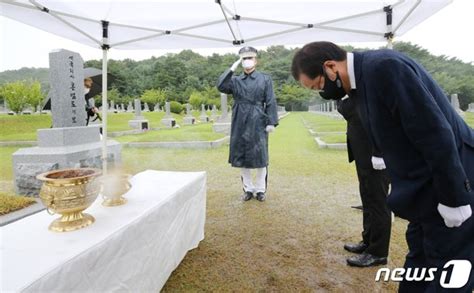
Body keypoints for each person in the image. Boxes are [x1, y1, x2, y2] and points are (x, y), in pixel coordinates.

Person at [291, 42, 473, 292]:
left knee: (449, 268)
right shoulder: (360, 81)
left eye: (319, 85)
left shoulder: (385, 68)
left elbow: (434, 133)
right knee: (418, 259)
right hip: (423, 187)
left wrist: (454, 198)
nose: (321, 92)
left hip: (451, 177)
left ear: (330, 66)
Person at [216, 46, 279, 202]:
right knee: (242, 155)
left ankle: (260, 190)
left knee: (260, 156)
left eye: (250, 58)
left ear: (256, 60)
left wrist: (271, 121)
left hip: (258, 118)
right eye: (244, 58)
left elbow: (270, 100)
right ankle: (248, 189)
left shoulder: (265, 78)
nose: (247, 61)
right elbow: (221, 86)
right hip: (240, 119)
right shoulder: (235, 80)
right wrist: (231, 69)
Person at [337, 96, 392, 267]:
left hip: (375, 153)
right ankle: (368, 241)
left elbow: (348, 109)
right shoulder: (354, 88)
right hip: (363, 151)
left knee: (378, 202)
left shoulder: (366, 86)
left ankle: (378, 252)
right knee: (368, 198)